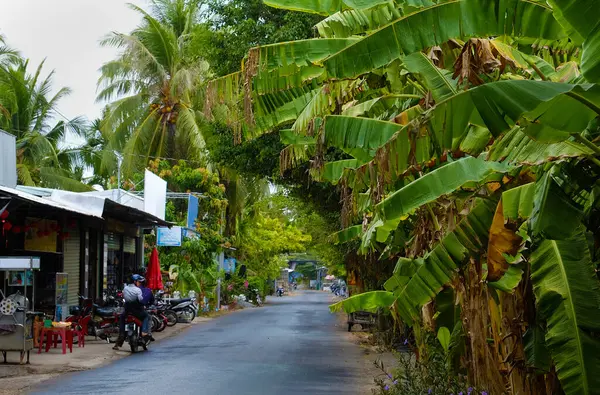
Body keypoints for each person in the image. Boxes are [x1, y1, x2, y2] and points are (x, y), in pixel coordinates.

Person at [112, 274, 150, 350]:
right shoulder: (138, 290)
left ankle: (121, 336)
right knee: (147, 316)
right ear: (135, 282)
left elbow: (123, 297)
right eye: (138, 282)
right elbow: (140, 300)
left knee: (122, 319)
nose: (139, 283)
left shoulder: (125, 289)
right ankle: (144, 332)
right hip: (137, 311)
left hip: (127, 311)